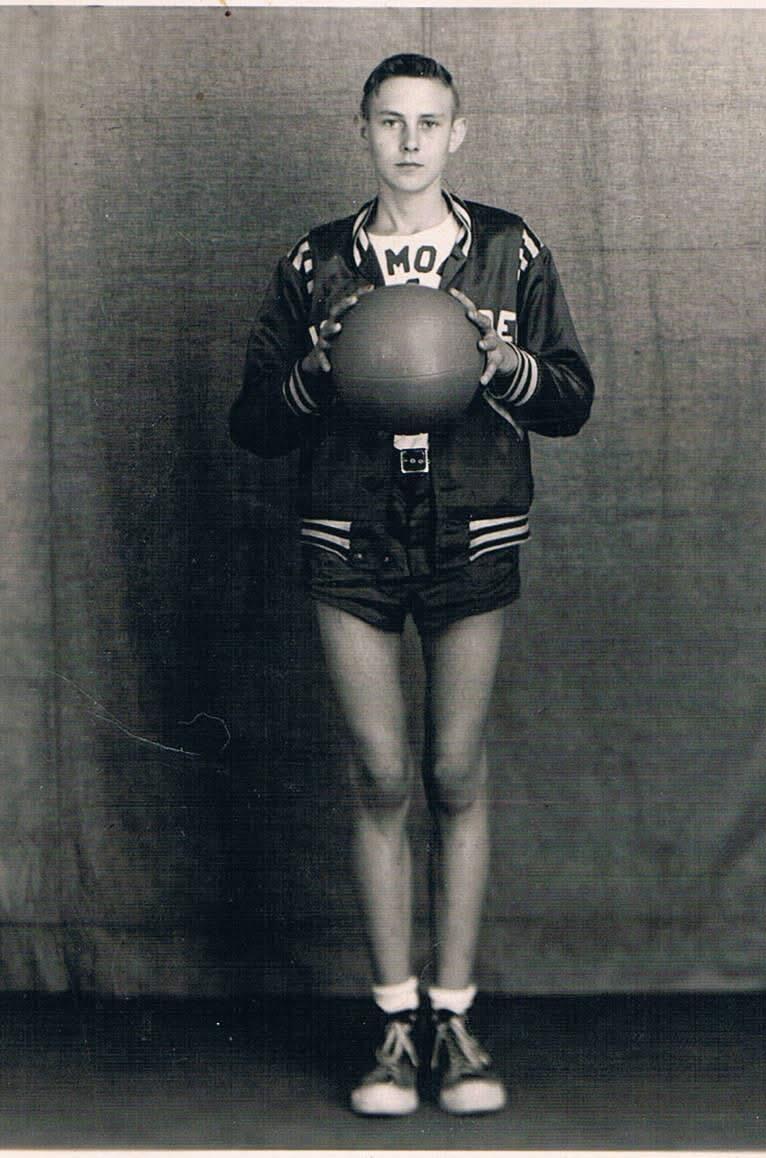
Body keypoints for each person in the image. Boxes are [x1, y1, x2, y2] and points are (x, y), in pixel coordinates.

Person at [229, 52, 594, 1116]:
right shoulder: (316, 263)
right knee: (382, 775)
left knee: (454, 771)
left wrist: (504, 367)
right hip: (348, 529)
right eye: (389, 121)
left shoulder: (510, 249)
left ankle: (456, 1023)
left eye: (428, 122)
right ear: (363, 130)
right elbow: (251, 422)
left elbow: (574, 398)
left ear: (457, 134)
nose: (409, 142)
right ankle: (395, 1025)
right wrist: (314, 373)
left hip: (471, 528)